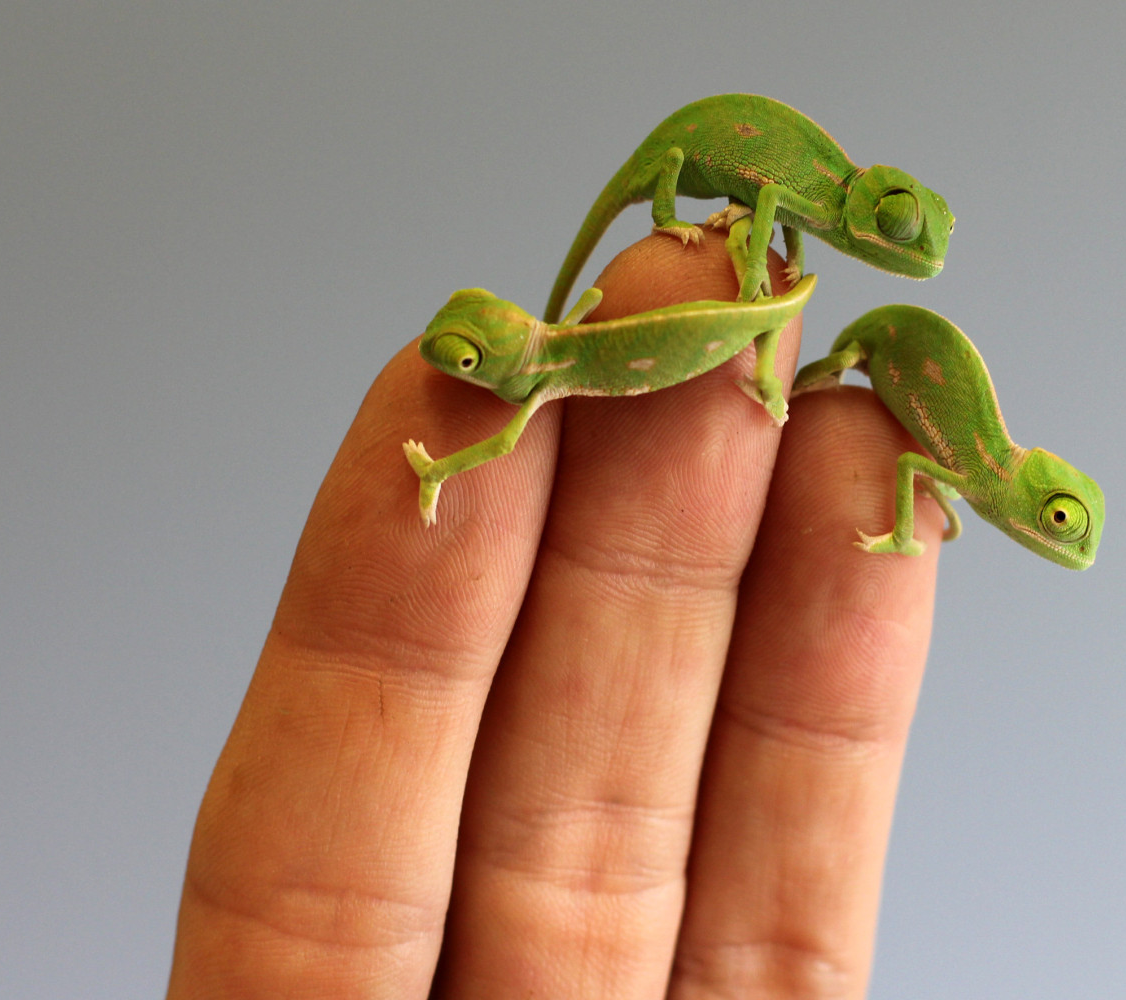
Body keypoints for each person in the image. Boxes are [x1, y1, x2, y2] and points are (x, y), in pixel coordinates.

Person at [166, 231, 946, 998]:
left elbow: (498, 449)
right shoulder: (564, 338)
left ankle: (769, 354)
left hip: (704, 355)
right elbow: (595, 309)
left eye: (470, 361)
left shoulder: (541, 380)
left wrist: (437, 471)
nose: (451, 367)